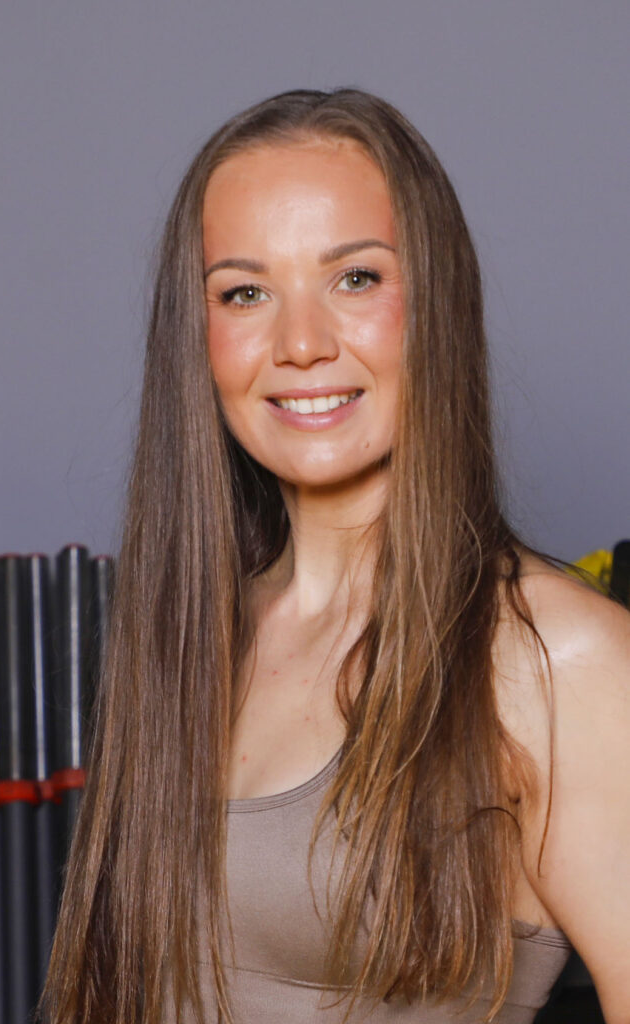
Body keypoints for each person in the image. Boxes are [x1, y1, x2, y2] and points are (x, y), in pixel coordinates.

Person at [42, 89, 630, 1024]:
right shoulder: (192, 637)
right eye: (244, 292)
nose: (301, 345)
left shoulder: (557, 658)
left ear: (434, 302)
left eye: (355, 278)